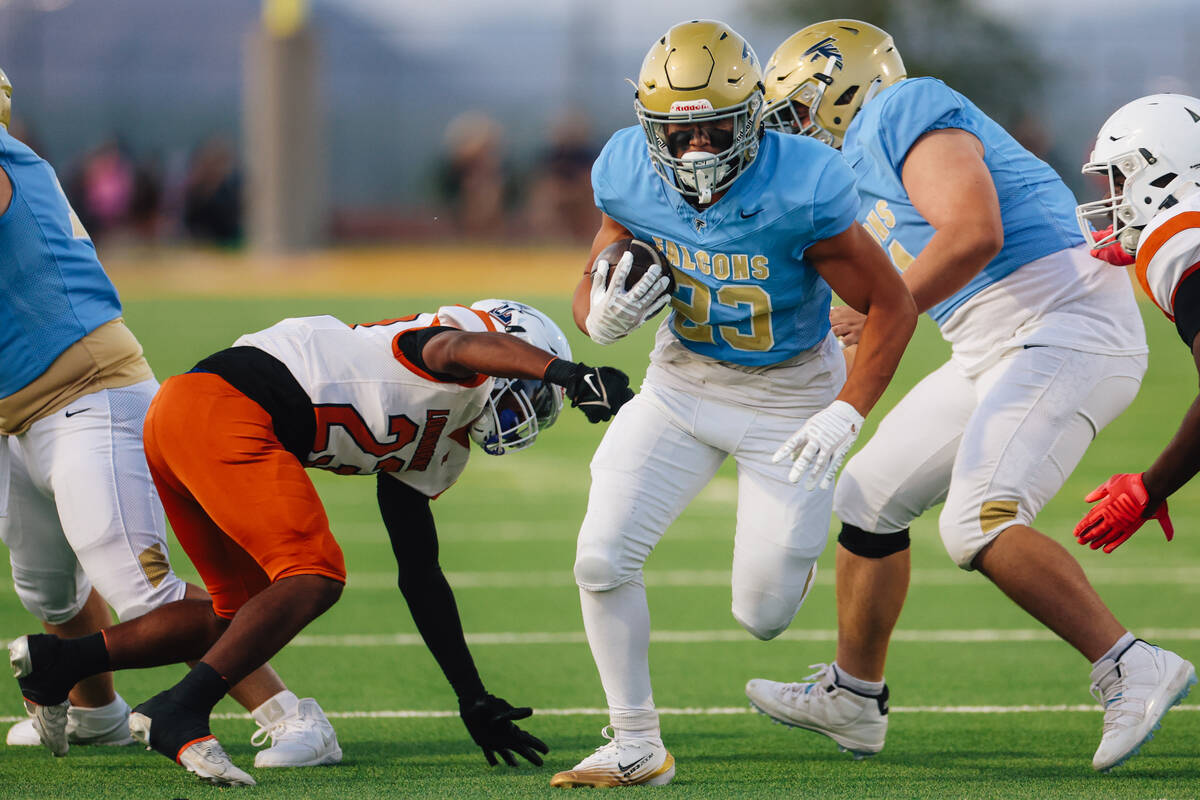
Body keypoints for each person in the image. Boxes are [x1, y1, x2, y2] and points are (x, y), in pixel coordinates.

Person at [744, 20, 1194, 773]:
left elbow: (974, 233)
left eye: (794, 110)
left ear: (839, 87)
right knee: (867, 496)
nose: (789, 131)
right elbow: (872, 304)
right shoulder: (846, 170)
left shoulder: (900, 107)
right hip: (991, 341)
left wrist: (884, 309)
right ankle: (853, 696)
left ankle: (1130, 664)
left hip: (1062, 323)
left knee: (976, 522)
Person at [10, 299, 634, 786]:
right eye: (531, 385)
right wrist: (570, 372)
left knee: (236, 616)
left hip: (187, 415)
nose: (527, 408)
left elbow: (420, 573)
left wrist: (471, 696)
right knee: (315, 572)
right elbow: (463, 344)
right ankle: (180, 710)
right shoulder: (447, 350)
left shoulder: (442, 444)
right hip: (228, 406)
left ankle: (61, 663)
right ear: (510, 349)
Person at [548, 20, 917, 789]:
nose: (696, 149)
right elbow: (597, 268)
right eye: (676, 132)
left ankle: (792, 558)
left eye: (715, 127)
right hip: (681, 382)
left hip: (790, 396)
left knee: (764, 614)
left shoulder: (803, 181)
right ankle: (635, 742)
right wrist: (597, 315)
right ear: (647, 126)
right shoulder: (625, 168)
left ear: (751, 113)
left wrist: (847, 409)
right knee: (600, 557)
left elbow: (891, 305)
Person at [0, 66, 341, 768]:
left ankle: (292, 717)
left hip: (84, 396)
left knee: (145, 596)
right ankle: (96, 712)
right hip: (20, 415)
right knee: (49, 590)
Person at [1072, 94, 1200, 557]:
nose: (1112, 196)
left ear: (1163, 170)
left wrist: (1149, 487)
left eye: (1120, 179)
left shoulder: (1180, 239)